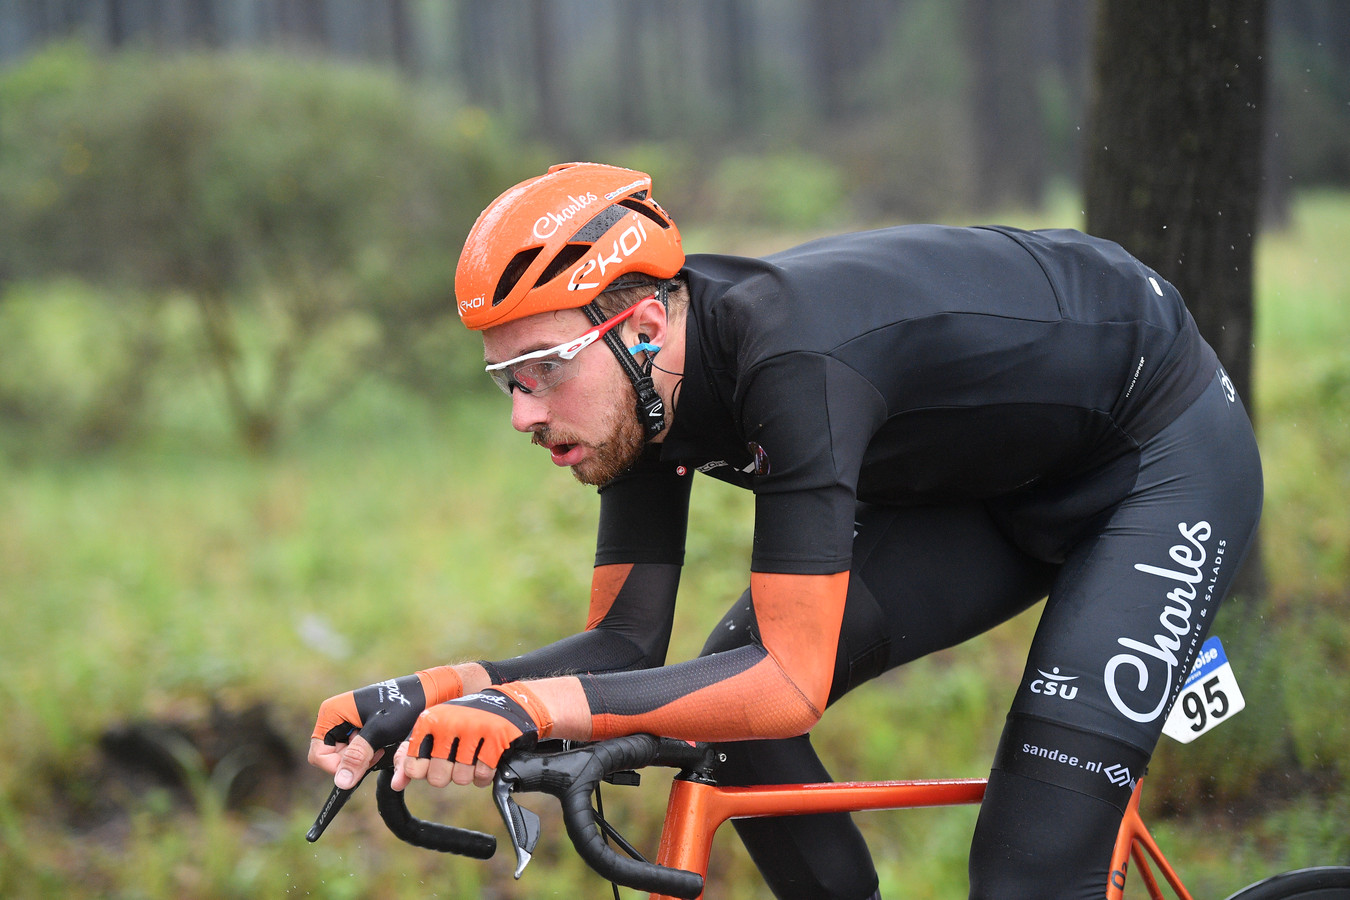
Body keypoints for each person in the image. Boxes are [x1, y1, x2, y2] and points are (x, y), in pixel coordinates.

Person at [309, 162, 1263, 899]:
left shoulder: (789, 360)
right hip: (991, 474)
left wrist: (538, 710)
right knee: (726, 696)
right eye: (505, 380)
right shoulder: (641, 399)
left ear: (640, 327)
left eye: (544, 367)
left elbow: (789, 684)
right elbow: (622, 643)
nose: (524, 413)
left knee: (1027, 872)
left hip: (1152, 457)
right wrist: (423, 694)